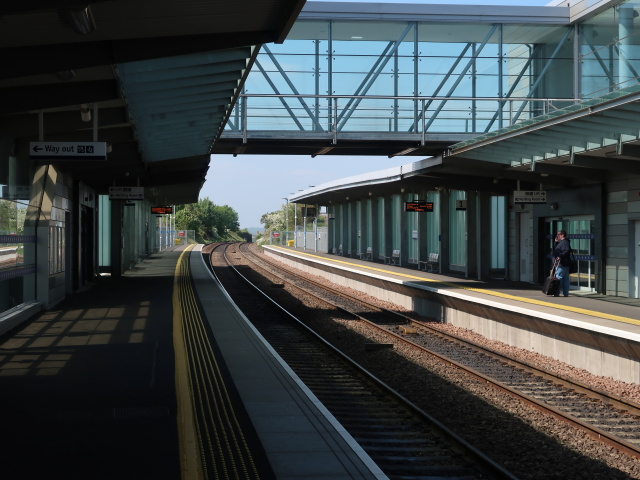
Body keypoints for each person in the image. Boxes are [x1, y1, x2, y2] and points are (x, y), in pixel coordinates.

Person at [553, 230, 572, 297]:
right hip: (563, 263)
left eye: (558, 234)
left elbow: (566, 251)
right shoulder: (562, 242)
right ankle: (565, 293)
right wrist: (556, 242)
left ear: (562, 235)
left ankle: (557, 292)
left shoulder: (564, 242)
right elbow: (556, 249)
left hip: (562, 263)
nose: (557, 236)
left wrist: (560, 256)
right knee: (565, 278)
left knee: (559, 277)